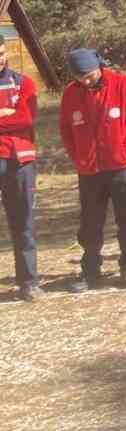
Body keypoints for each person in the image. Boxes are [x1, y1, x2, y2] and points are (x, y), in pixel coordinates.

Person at [59, 48, 126, 291]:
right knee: (90, 223)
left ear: (98, 67)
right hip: (89, 171)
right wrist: (77, 157)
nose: (87, 81)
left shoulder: (122, 84)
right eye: (81, 78)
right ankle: (90, 272)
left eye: (90, 75)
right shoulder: (70, 93)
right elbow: (66, 129)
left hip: (122, 167)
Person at [0, 41, 42, 300]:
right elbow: (15, 119)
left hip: (19, 160)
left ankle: (29, 282)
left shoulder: (23, 82)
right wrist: (6, 114)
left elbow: (25, 118)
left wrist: (11, 115)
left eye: (1, 54)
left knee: (23, 222)